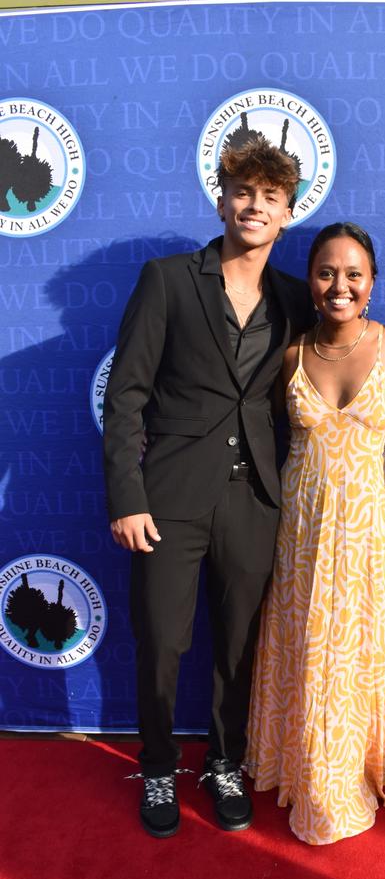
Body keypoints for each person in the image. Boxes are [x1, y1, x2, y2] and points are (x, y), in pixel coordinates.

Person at [103, 137, 314, 838]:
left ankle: (226, 761)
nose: (255, 206)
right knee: (162, 639)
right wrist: (126, 496)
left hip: (254, 498)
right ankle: (159, 765)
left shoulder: (293, 299)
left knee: (238, 643)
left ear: (287, 213)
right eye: (244, 193)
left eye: (271, 198)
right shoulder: (167, 279)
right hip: (167, 497)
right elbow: (126, 396)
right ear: (221, 200)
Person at [246, 222, 385, 844]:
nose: (339, 286)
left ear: (371, 282)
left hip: (366, 532)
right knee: (307, 648)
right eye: (325, 273)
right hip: (301, 530)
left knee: (356, 652)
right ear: (310, 282)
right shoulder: (289, 353)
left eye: (353, 274)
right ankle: (309, 773)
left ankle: (353, 769)